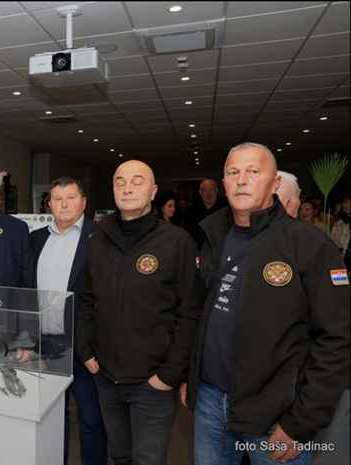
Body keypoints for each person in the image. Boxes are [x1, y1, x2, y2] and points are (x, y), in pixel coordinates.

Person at [184, 142, 349, 465]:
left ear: (275, 183)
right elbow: (201, 313)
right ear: (224, 183)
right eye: (233, 172)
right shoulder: (213, 235)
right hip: (210, 402)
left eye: (253, 171)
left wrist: (302, 421)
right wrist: (192, 380)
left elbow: (338, 339)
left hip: (276, 413)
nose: (242, 179)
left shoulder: (309, 245)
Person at [79, 160, 203, 465]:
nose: (127, 188)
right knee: (119, 456)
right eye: (120, 182)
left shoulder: (177, 242)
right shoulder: (98, 237)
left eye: (137, 181)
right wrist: (86, 352)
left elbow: (190, 312)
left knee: (148, 459)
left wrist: (170, 374)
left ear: (153, 191)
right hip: (106, 376)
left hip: (152, 383)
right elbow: (86, 298)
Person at [31, 177, 107, 465]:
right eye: (57, 199)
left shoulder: (101, 238)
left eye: (71, 198)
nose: (63, 204)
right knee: (51, 417)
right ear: (49, 204)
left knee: (91, 419)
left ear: (84, 203)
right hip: (45, 345)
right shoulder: (36, 238)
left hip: (85, 347)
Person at [185, 178, 228, 245]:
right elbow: (189, 234)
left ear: (216, 190)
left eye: (211, 190)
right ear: (200, 192)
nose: (208, 194)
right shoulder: (191, 211)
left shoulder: (227, 209)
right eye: (205, 190)